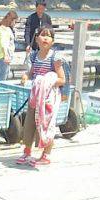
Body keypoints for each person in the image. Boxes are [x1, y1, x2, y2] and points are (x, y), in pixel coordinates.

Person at [16, 27, 65, 167]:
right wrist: (26, 76)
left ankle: (46, 154)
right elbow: (32, 72)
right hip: (35, 97)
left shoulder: (55, 58)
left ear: (52, 41)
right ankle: (27, 151)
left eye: (48, 36)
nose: (45, 38)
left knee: (47, 125)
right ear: (37, 39)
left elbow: (62, 79)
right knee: (30, 124)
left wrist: (46, 81)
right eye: (42, 35)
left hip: (48, 98)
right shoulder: (35, 56)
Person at [0, 10, 18, 82]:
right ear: (11, 20)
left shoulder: (2, 28)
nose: (15, 24)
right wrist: (6, 55)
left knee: (3, 77)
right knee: (2, 79)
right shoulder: (4, 29)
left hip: (0, 56)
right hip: (3, 57)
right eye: (14, 22)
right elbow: (3, 43)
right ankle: (0, 92)